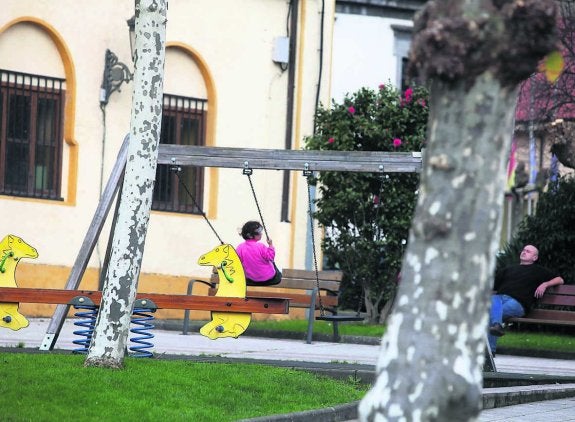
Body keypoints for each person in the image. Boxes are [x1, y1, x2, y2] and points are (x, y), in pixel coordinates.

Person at [488, 244, 564, 354]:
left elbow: (560, 279)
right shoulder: (508, 269)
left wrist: (545, 284)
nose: (524, 252)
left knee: (490, 313)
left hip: (518, 304)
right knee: (494, 300)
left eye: (528, 251)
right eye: (523, 250)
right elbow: (491, 286)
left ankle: (489, 352)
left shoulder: (538, 271)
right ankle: (494, 335)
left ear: (534, 258)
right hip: (499, 300)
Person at [236, 221, 282, 286]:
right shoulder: (260, 246)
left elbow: (237, 261)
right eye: (259, 232)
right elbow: (270, 257)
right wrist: (270, 245)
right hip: (269, 279)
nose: (261, 234)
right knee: (276, 270)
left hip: (251, 280)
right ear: (251, 235)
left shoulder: (240, 247)